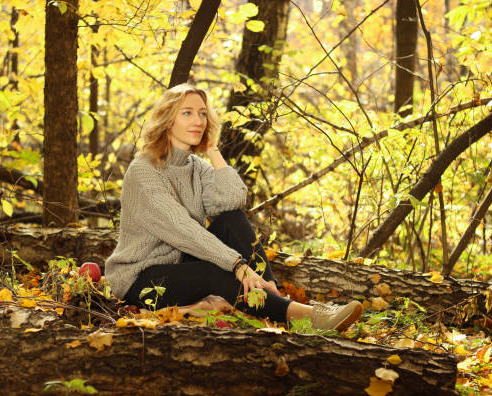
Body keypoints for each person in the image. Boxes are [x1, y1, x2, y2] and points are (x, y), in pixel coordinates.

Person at [104, 83, 362, 331]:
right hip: (140, 280)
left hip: (181, 267)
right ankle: (308, 316)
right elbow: (181, 228)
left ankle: (273, 297)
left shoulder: (195, 166)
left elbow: (234, 199)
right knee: (215, 269)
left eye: (203, 113)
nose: (199, 120)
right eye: (188, 113)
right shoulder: (144, 170)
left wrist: (213, 150)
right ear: (168, 120)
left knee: (232, 219)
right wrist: (237, 264)